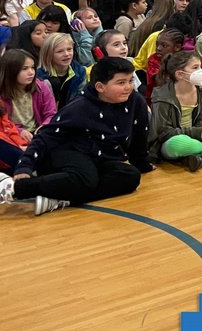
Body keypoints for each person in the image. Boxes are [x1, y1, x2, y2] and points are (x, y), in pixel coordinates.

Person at [0, 57, 153, 215]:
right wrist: (25, 166)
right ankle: (13, 188)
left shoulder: (136, 101)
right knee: (86, 178)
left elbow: (139, 134)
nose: (128, 87)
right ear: (100, 87)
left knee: (130, 176)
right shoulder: (80, 106)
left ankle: (60, 199)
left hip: (101, 158)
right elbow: (45, 136)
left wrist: (142, 163)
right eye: (121, 83)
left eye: (130, 80)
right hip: (67, 152)